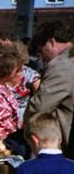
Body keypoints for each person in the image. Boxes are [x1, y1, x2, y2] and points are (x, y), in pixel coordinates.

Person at [25, 21, 74, 157]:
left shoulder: (61, 65)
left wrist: (26, 132)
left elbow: (40, 106)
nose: (43, 57)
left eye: (41, 51)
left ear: (51, 42)